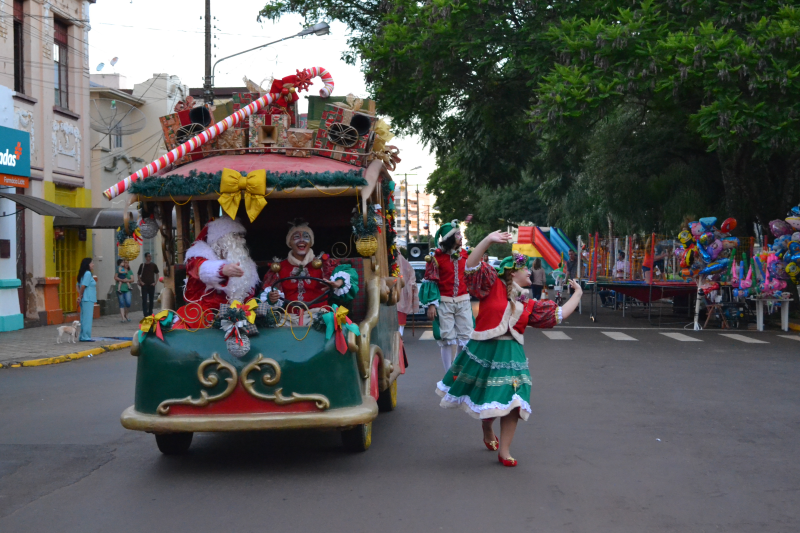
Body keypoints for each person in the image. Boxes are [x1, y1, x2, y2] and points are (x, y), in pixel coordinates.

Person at [436, 230, 583, 467]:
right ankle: (487, 426)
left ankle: (504, 451)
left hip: (513, 354)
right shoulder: (490, 284)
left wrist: (578, 294)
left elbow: (559, 314)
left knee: (515, 401)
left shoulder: (527, 302)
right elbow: (470, 266)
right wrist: (488, 239)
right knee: (490, 399)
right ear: (512, 272)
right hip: (485, 351)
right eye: (525, 269)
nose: (529, 272)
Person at [264, 219, 358, 325]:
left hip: (318, 315)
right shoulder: (278, 268)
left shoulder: (324, 264)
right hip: (288, 318)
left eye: (306, 237)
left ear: (311, 242)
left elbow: (347, 273)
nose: (301, 240)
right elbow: (266, 293)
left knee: (332, 323)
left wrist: (338, 282)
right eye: (296, 237)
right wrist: (271, 298)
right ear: (289, 242)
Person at [175, 216, 261, 328]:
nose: (241, 240)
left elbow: (248, 295)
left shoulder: (246, 264)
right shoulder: (198, 256)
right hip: (205, 316)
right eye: (235, 236)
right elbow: (200, 269)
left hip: (237, 318)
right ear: (220, 241)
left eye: (241, 236)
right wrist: (222, 270)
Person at [419, 219, 473, 371]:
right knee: (447, 338)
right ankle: (447, 373)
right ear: (450, 238)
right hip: (444, 302)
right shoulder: (436, 258)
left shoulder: (465, 254)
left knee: (466, 337)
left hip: (463, 301)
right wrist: (431, 304)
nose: (461, 237)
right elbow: (431, 281)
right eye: (457, 234)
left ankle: (457, 367)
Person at [396, 254, 419, 336]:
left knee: (401, 315)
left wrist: (411, 284)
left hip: (402, 294)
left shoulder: (403, 263)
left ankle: (400, 336)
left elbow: (410, 272)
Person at [76, 258, 96, 342]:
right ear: (88, 264)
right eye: (91, 263)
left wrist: (80, 295)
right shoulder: (88, 273)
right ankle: (86, 336)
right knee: (87, 319)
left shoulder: (83, 273)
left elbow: (78, 285)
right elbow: (83, 286)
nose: (93, 265)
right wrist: (80, 295)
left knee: (84, 318)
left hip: (85, 298)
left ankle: (82, 336)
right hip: (88, 298)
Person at [138, 252, 160, 316]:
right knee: (144, 300)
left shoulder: (153, 265)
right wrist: (141, 282)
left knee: (151, 300)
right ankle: (145, 314)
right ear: (145, 257)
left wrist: (155, 282)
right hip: (144, 285)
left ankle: (150, 312)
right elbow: (138, 274)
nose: (150, 257)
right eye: (148, 256)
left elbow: (157, 274)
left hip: (151, 285)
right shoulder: (142, 265)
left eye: (150, 256)